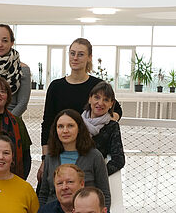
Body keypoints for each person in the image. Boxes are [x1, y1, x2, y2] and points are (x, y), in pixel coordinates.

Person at [38, 37, 122, 181]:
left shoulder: (97, 85)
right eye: (72, 53)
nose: (75, 58)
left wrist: (104, 123)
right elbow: (47, 124)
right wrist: (45, 158)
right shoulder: (56, 86)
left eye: (81, 54)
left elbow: (116, 110)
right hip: (59, 152)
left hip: (87, 155)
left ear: (89, 57)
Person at [39, 109, 111, 208]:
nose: (65, 130)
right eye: (60, 126)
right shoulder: (50, 157)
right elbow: (44, 194)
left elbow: (104, 194)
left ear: (79, 128)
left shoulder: (95, 156)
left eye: (70, 126)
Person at [82, 81, 125, 175]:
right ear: (90, 99)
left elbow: (119, 160)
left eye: (106, 100)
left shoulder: (112, 126)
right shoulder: (76, 122)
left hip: (94, 176)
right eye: (97, 97)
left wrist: (98, 174)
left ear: (111, 104)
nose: (100, 103)